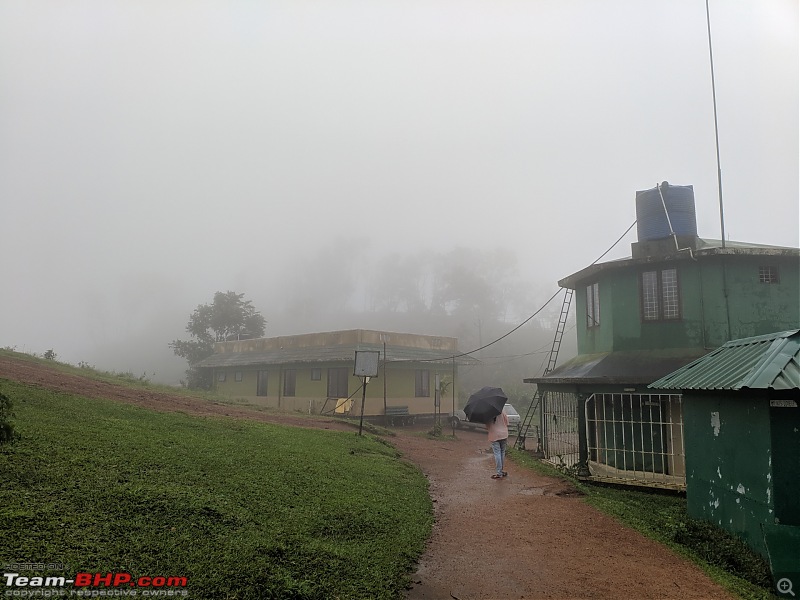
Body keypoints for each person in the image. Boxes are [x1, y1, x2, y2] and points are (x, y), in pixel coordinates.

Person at [486, 409, 509, 479]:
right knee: (502, 452)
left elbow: (487, 426)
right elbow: (507, 422)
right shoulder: (502, 411)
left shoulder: (488, 414)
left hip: (494, 435)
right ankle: (501, 471)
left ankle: (499, 473)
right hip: (504, 434)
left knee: (497, 453)